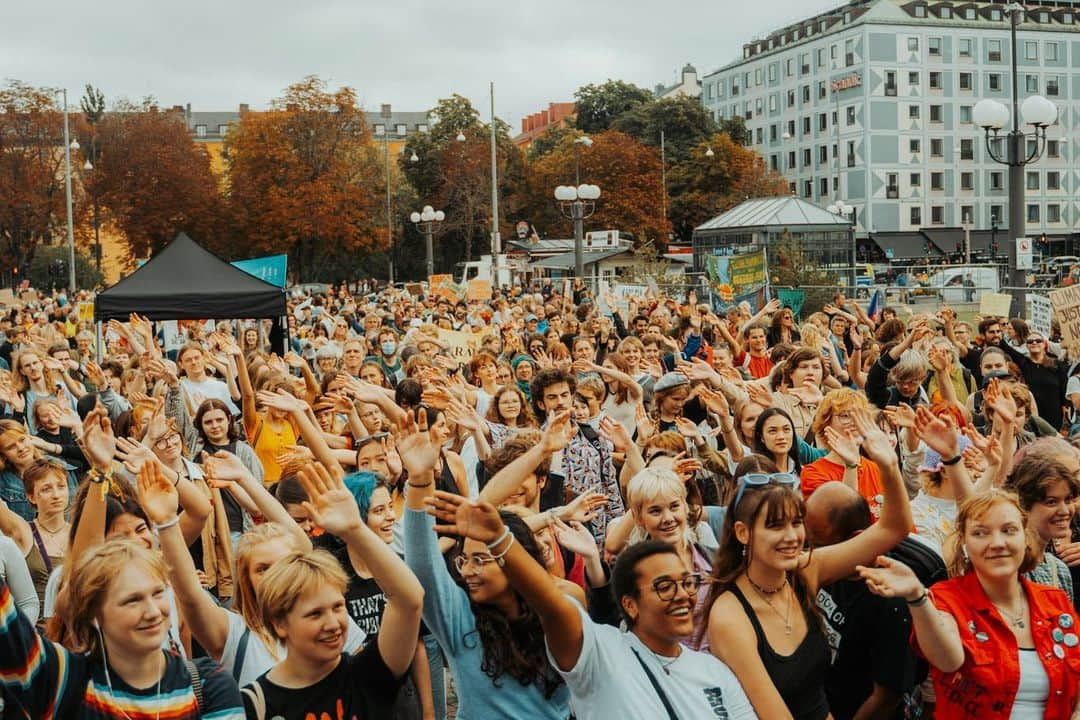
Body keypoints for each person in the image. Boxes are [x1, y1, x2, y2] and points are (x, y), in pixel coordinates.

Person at [703, 407, 913, 720]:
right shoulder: (730, 615)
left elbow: (893, 528)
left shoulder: (802, 571)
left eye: (796, 523)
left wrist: (888, 465)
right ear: (743, 532)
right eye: (775, 526)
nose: (792, 537)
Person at [402, 409, 571, 719]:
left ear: (516, 563)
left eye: (480, 559)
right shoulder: (461, 620)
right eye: (464, 560)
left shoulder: (561, 608)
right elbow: (423, 565)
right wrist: (419, 480)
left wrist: (545, 450)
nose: (467, 571)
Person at [857, 490, 1080, 719]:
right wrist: (917, 596)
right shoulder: (946, 598)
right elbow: (948, 658)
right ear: (963, 542)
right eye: (980, 533)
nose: (997, 543)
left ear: (1025, 536)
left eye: (1008, 530)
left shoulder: (1055, 600)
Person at [0, 535, 244, 718]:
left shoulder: (207, 683)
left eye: (158, 593)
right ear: (95, 615)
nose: (152, 611)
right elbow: (8, 628)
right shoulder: (64, 680)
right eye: (132, 600)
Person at [805, 482, 918, 720]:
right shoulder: (829, 572)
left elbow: (885, 698)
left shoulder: (889, 598)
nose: (811, 555)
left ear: (857, 539)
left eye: (818, 546)